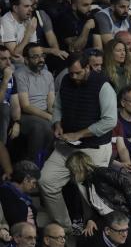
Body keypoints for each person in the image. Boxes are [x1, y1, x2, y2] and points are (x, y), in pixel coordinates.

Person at [39, 52, 117, 233]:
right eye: (71, 73)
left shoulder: (103, 85)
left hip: (94, 148)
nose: (74, 77)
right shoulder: (66, 80)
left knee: (92, 196)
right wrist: (57, 123)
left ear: (88, 67)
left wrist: (78, 134)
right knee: (46, 181)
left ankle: (97, 234)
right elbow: (58, 107)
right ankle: (65, 229)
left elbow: (109, 121)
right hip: (67, 146)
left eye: (78, 73)